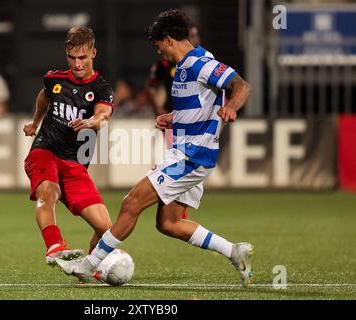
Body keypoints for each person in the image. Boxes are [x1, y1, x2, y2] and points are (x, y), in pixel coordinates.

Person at [54, 9, 254, 287]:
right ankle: (234, 251)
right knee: (168, 223)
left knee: (131, 203)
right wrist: (175, 117)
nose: (157, 50)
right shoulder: (186, 67)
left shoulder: (200, 63)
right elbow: (205, 102)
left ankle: (89, 265)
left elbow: (241, 86)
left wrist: (232, 106)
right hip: (187, 152)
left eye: (157, 44)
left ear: (169, 39)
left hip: (192, 155)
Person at [22, 26, 114, 266]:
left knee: (107, 230)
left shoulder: (101, 88)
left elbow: (103, 115)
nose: (77, 64)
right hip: (45, 152)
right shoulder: (54, 79)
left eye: (82, 57)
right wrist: (35, 123)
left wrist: (91, 121)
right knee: (48, 191)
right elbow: (44, 97)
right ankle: (54, 247)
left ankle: (88, 266)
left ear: (93, 53)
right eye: (72, 58)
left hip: (74, 165)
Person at [146, 23, 200, 219]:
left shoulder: (199, 63)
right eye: (192, 35)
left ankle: (178, 208)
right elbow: (150, 87)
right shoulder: (164, 64)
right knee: (177, 157)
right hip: (173, 118)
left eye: (195, 36)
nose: (195, 40)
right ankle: (178, 209)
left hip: (192, 119)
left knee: (181, 159)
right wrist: (158, 109)